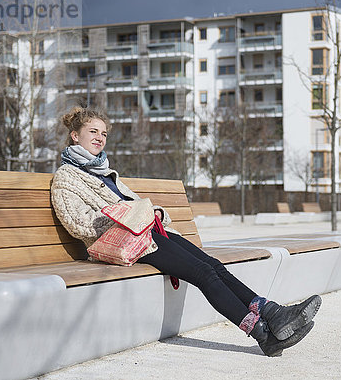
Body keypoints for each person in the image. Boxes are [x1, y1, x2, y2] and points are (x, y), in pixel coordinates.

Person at [51, 106, 321, 357]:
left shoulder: (107, 172)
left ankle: (272, 314)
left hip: (145, 234)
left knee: (213, 265)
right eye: (93, 132)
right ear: (75, 136)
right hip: (121, 244)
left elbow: (138, 204)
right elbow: (77, 222)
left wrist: (155, 212)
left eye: (104, 133)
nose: (100, 138)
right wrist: (124, 217)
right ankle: (263, 335)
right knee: (203, 274)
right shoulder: (67, 176)